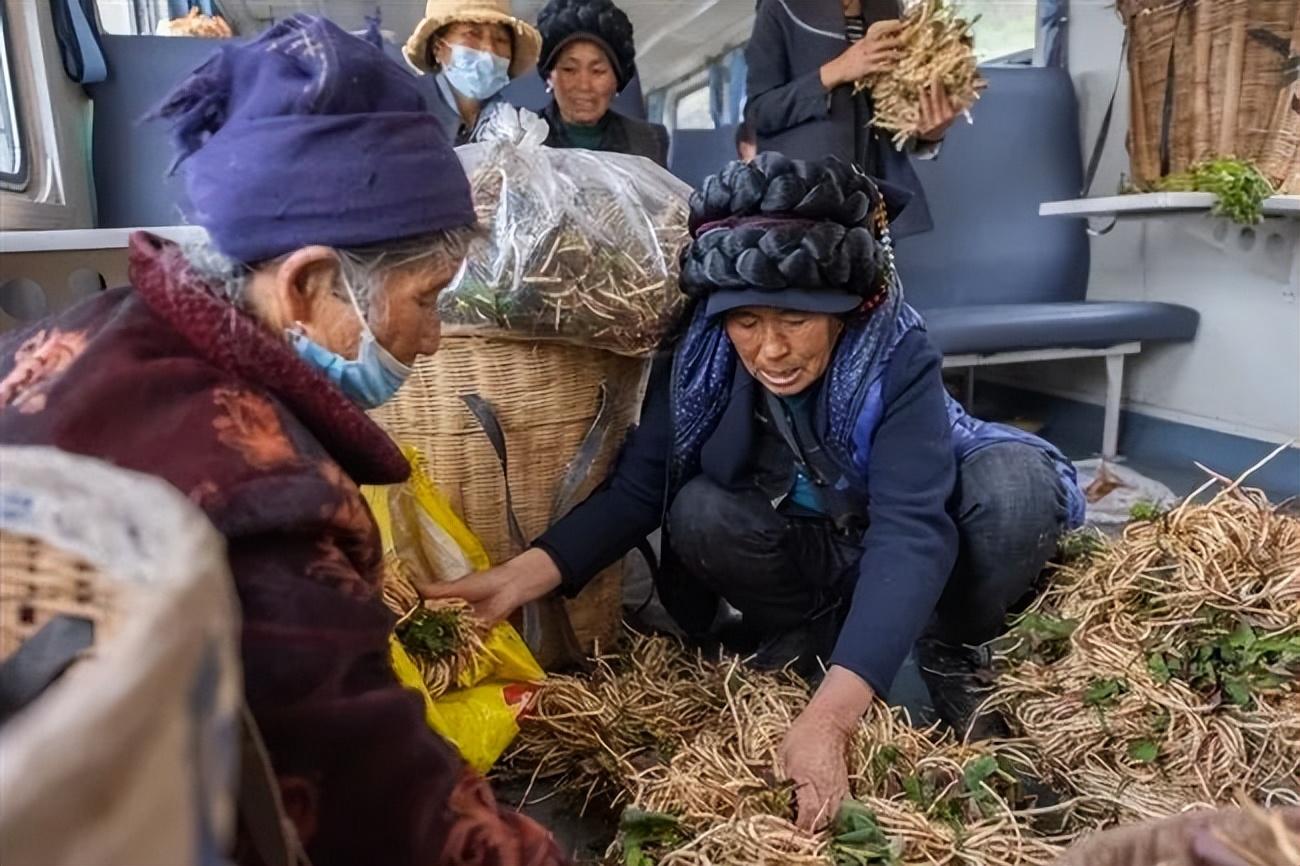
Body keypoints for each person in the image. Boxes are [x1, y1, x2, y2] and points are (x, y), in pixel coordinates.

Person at [0, 16, 565, 866]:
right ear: (307, 284)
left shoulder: (93, 333)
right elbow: (386, 805)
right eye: (427, 296)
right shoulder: (266, 502)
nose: (437, 336)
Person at [429, 155, 1085, 832]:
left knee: (1014, 492)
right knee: (700, 512)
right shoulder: (702, 355)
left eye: (795, 320)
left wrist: (830, 721)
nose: (770, 350)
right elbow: (639, 488)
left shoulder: (895, 353)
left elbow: (912, 531)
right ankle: (814, 631)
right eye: (748, 322)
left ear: (843, 311)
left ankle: (946, 645)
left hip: (901, 532)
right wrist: (517, 578)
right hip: (821, 544)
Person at [745, 0, 961, 237]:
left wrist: (928, 134)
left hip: (871, 208)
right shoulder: (780, 6)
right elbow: (759, 112)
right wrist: (838, 70)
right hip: (804, 207)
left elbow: (888, 122)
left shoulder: (891, 10)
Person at [535, 0, 669, 166]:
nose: (584, 86)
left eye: (598, 71)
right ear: (549, 77)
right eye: (569, 69)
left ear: (617, 81)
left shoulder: (648, 141)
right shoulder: (520, 137)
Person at [404, 0, 542, 145]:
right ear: (438, 48)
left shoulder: (512, 120)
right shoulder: (407, 110)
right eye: (472, 34)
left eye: (501, 39)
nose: (489, 48)